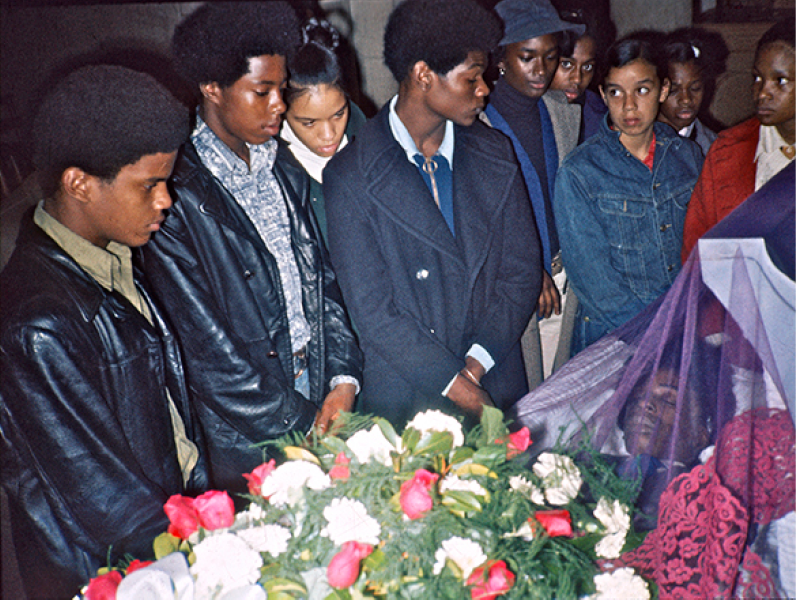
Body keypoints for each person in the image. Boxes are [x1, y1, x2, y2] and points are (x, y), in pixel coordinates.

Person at [0, 65, 208, 599]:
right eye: (149, 185)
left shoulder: (112, 258)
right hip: (113, 576)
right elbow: (104, 502)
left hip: (163, 544)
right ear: (80, 184)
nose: (166, 200)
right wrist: (202, 559)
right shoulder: (36, 325)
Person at [139, 2, 363, 493]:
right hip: (244, 432)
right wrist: (300, 422)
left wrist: (343, 379)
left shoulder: (283, 167)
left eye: (281, 89)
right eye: (262, 92)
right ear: (212, 88)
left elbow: (322, 283)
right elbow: (207, 353)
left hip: (319, 389)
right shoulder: (175, 194)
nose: (279, 105)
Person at [323, 0, 542, 430]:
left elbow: (520, 274)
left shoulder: (495, 152)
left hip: (494, 377)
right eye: (472, 77)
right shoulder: (350, 176)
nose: (484, 90)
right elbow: (373, 312)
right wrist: (456, 386)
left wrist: (476, 369)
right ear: (424, 75)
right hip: (406, 399)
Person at [554, 35, 704, 353]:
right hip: (615, 340)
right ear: (603, 96)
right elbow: (595, 281)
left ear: (663, 89)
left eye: (642, 90)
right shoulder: (580, 172)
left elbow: (702, 251)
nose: (629, 106)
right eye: (616, 92)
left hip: (684, 328)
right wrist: (655, 339)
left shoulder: (688, 158)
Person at [484, 0, 585, 388]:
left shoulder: (560, 111)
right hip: (508, 287)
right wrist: (527, 267)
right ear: (502, 59)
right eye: (527, 57)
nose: (541, 70)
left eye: (550, 57)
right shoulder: (477, 119)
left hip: (564, 278)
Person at [681, 19, 796, 262]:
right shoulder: (727, 151)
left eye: (780, 81)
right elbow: (696, 251)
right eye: (757, 78)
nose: (762, 92)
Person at [280, 17, 368, 245]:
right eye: (309, 123)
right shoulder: (270, 166)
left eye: (339, 114)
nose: (329, 135)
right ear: (281, 110)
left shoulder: (371, 140)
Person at [657, 28, 727, 156]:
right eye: (673, 91)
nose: (686, 99)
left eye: (695, 88)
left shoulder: (715, 149)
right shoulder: (635, 141)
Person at [548, 5, 612, 143]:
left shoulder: (601, 119)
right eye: (566, 64)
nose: (577, 78)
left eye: (587, 67)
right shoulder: (525, 108)